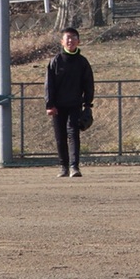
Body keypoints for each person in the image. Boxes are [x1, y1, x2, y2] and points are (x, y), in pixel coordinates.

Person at [43, 27, 94, 178]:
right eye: (67, 38)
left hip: (74, 105)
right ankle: (63, 167)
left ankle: (74, 167)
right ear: (62, 42)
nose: (70, 40)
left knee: (73, 134)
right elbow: (49, 85)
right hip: (58, 106)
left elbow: (88, 85)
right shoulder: (56, 61)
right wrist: (49, 104)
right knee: (60, 137)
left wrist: (87, 105)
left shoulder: (82, 62)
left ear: (78, 41)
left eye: (73, 38)